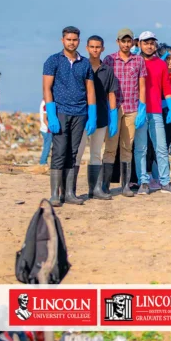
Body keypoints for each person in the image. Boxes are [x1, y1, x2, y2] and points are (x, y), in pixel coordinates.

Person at [42, 26, 97, 207]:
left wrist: (92, 114)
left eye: (75, 40)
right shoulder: (53, 61)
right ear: (62, 40)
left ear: (78, 41)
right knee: (59, 152)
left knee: (73, 154)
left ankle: (70, 193)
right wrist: (51, 114)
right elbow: (47, 88)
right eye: (68, 39)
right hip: (61, 112)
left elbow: (90, 90)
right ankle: (55, 195)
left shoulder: (85, 63)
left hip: (80, 113)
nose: (71, 42)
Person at [133, 31, 171, 196]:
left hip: (156, 111)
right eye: (146, 43)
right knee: (141, 148)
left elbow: (166, 88)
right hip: (140, 111)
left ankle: (165, 181)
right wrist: (139, 109)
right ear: (140, 44)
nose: (149, 46)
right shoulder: (136, 61)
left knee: (161, 147)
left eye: (152, 43)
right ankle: (143, 182)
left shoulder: (161, 64)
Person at [103, 28, 147, 198]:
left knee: (127, 147)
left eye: (129, 41)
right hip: (114, 108)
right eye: (123, 41)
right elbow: (106, 84)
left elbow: (142, 85)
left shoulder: (138, 61)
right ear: (118, 42)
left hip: (132, 109)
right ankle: (105, 185)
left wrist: (142, 107)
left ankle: (125, 186)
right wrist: (110, 110)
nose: (126, 44)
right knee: (110, 147)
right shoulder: (109, 60)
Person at [74, 35, 118, 200]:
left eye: (98, 47)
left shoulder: (107, 70)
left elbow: (111, 94)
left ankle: (95, 189)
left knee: (96, 153)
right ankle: (71, 191)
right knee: (77, 153)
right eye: (92, 47)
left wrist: (113, 116)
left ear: (103, 49)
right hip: (80, 116)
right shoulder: (81, 66)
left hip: (101, 116)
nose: (95, 50)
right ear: (87, 48)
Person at [146, 44, 171, 188]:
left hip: (169, 111)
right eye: (167, 58)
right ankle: (151, 176)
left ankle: (162, 177)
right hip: (153, 111)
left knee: (165, 144)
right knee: (150, 144)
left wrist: (168, 104)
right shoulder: (155, 71)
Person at [39, 99, 52, 165]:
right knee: (47, 147)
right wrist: (51, 128)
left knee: (47, 146)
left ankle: (44, 161)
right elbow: (45, 119)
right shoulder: (46, 104)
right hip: (47, 129)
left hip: (44, 128)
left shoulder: (43, 102)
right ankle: (43, 162)